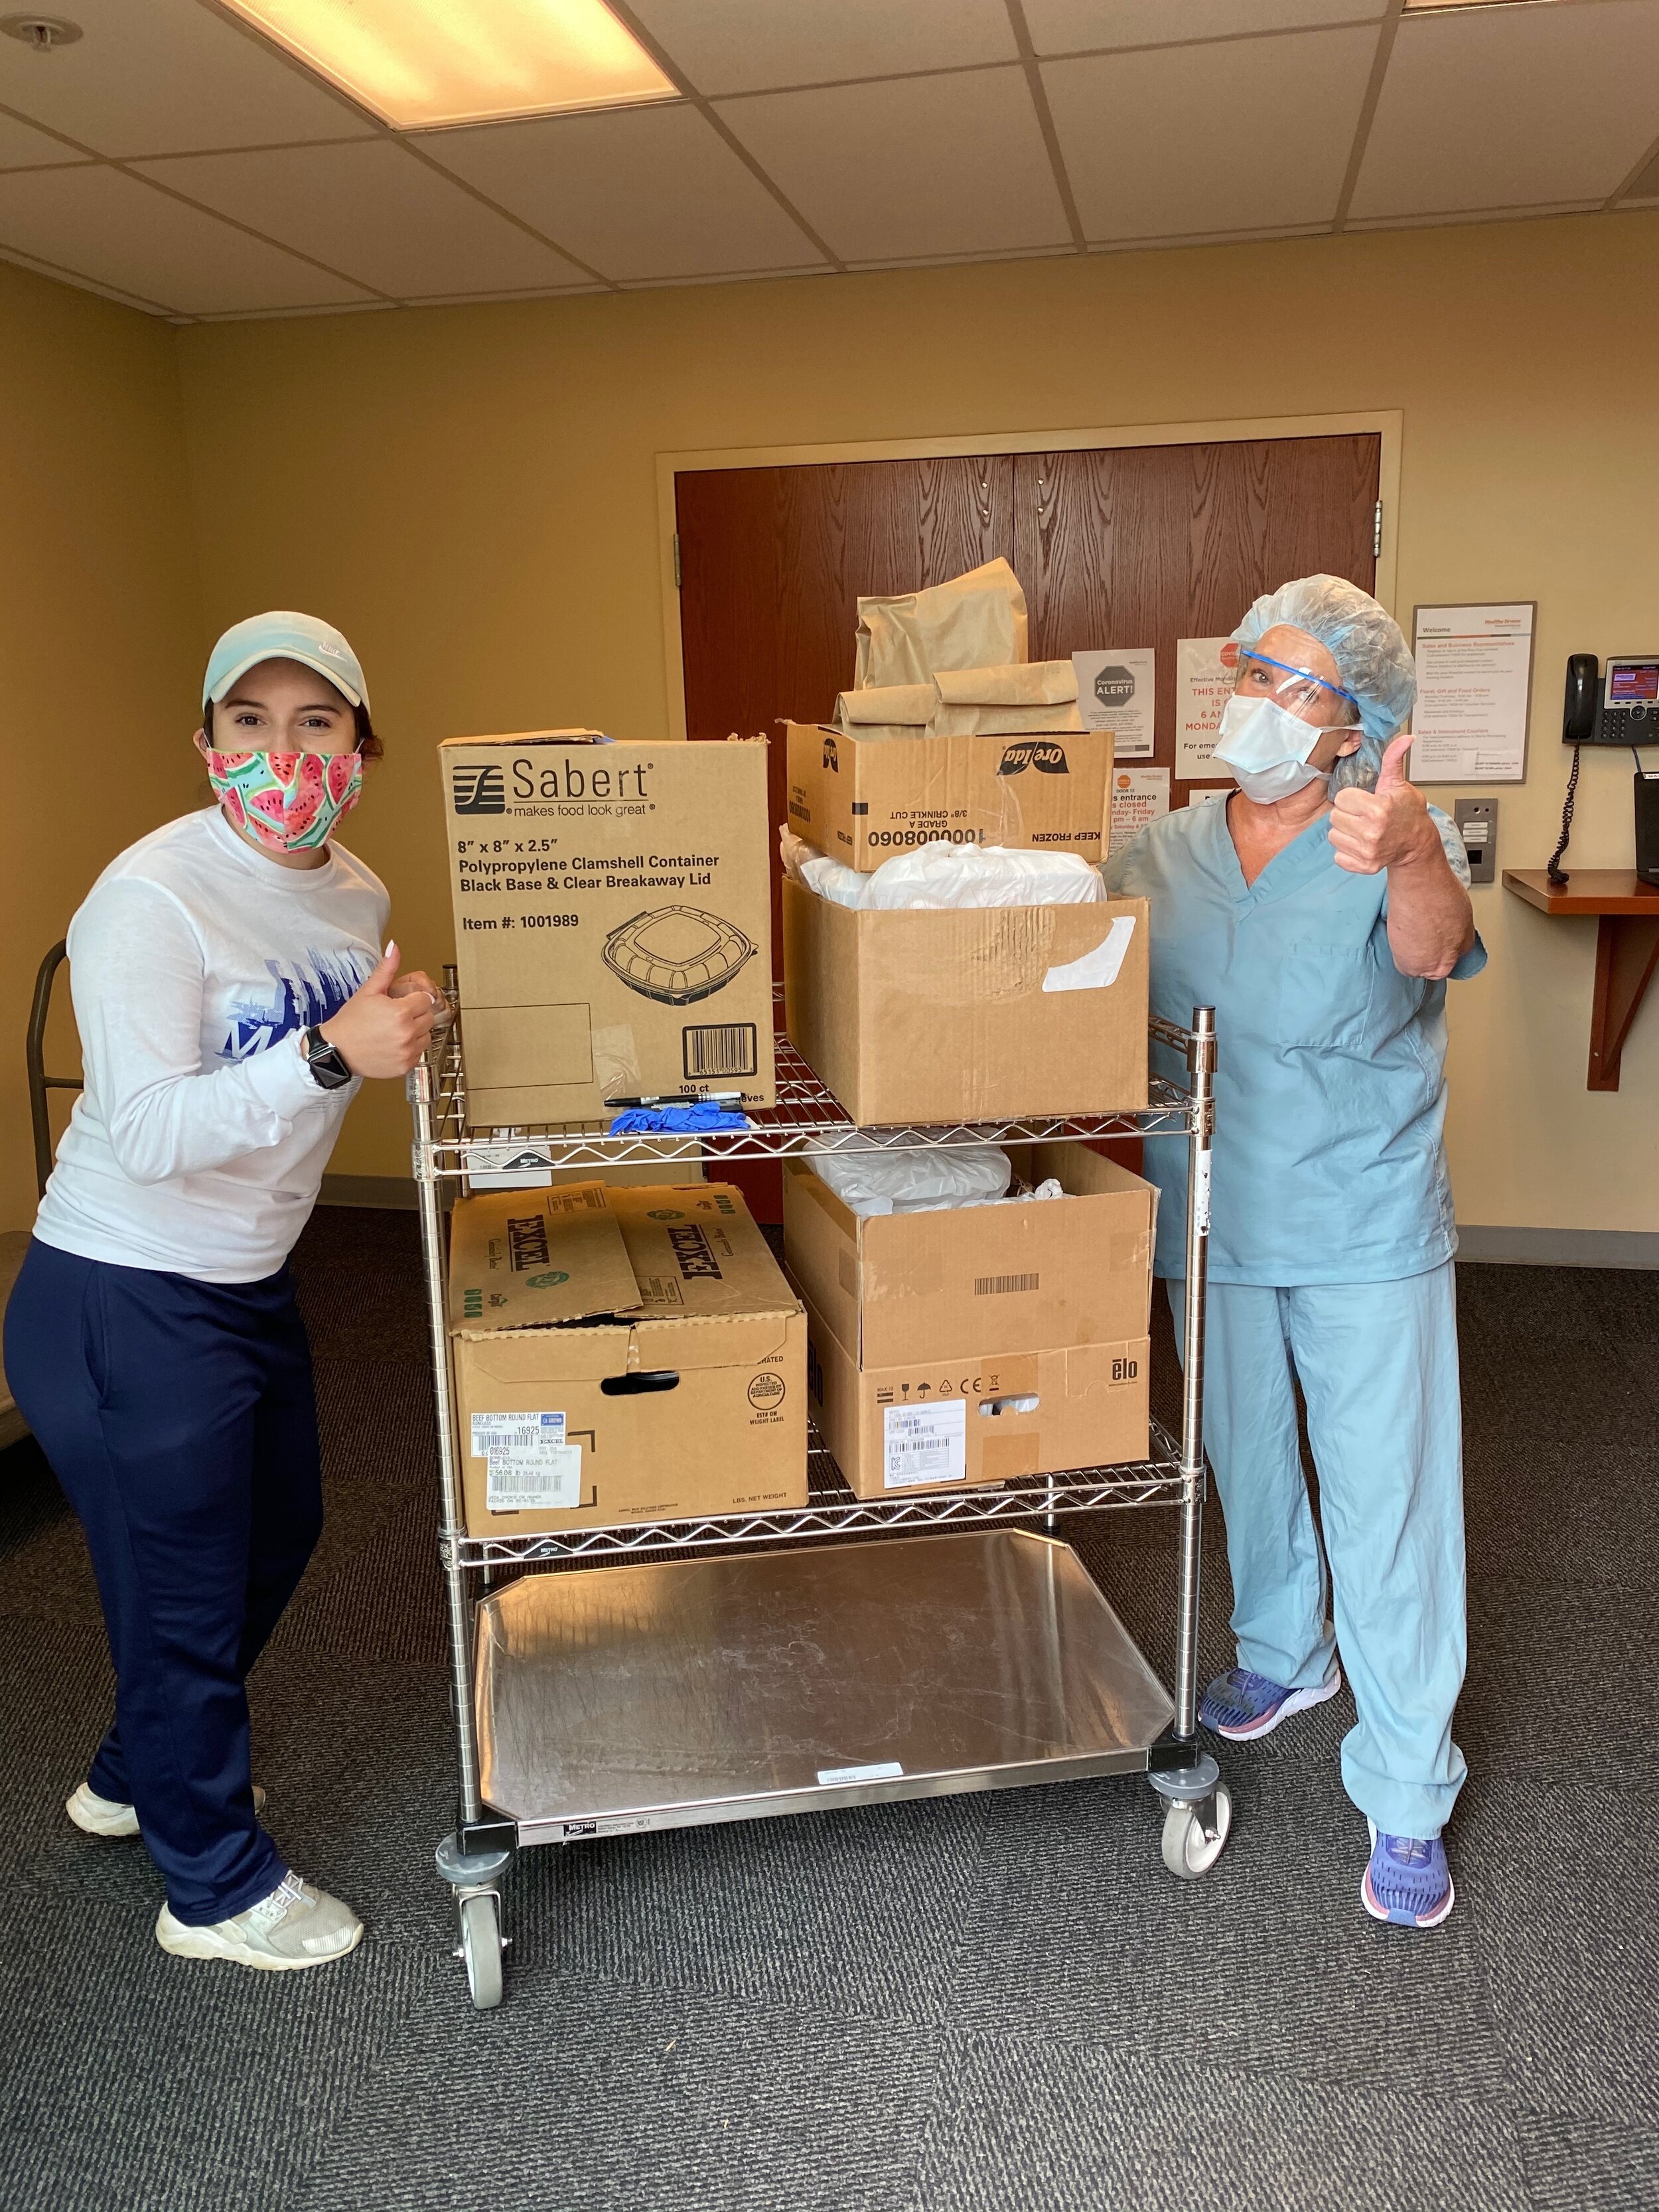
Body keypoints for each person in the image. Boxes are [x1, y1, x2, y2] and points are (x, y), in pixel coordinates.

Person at [5, 612, 444, 1970]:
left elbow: (328, 1054)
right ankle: (212, 1884)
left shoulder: (355, 894)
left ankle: (135, 1767)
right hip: (122, 1290)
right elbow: (147, 1132)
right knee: (183, 1594)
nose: (282, 753)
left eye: (316, 722)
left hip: (243, 1279)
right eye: (249, 721)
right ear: (206, 741)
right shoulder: (150, 898)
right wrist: (329, 1053)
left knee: (279, 1531)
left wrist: (390, 1030)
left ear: (360, 748)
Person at [1102, 575, 1484, 1929]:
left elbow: (1434, 952)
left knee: (1387, 1495)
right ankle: (1283, 1645)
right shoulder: (1157, 851)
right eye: (1249, 670)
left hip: (1360, 1216)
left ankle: (1406, 1784)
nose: (1253, 700)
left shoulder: (1381, 834)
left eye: (1288, 683)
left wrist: (1413, 849)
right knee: (1246, 1451)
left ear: (1352, 726)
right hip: (1210, 1217)